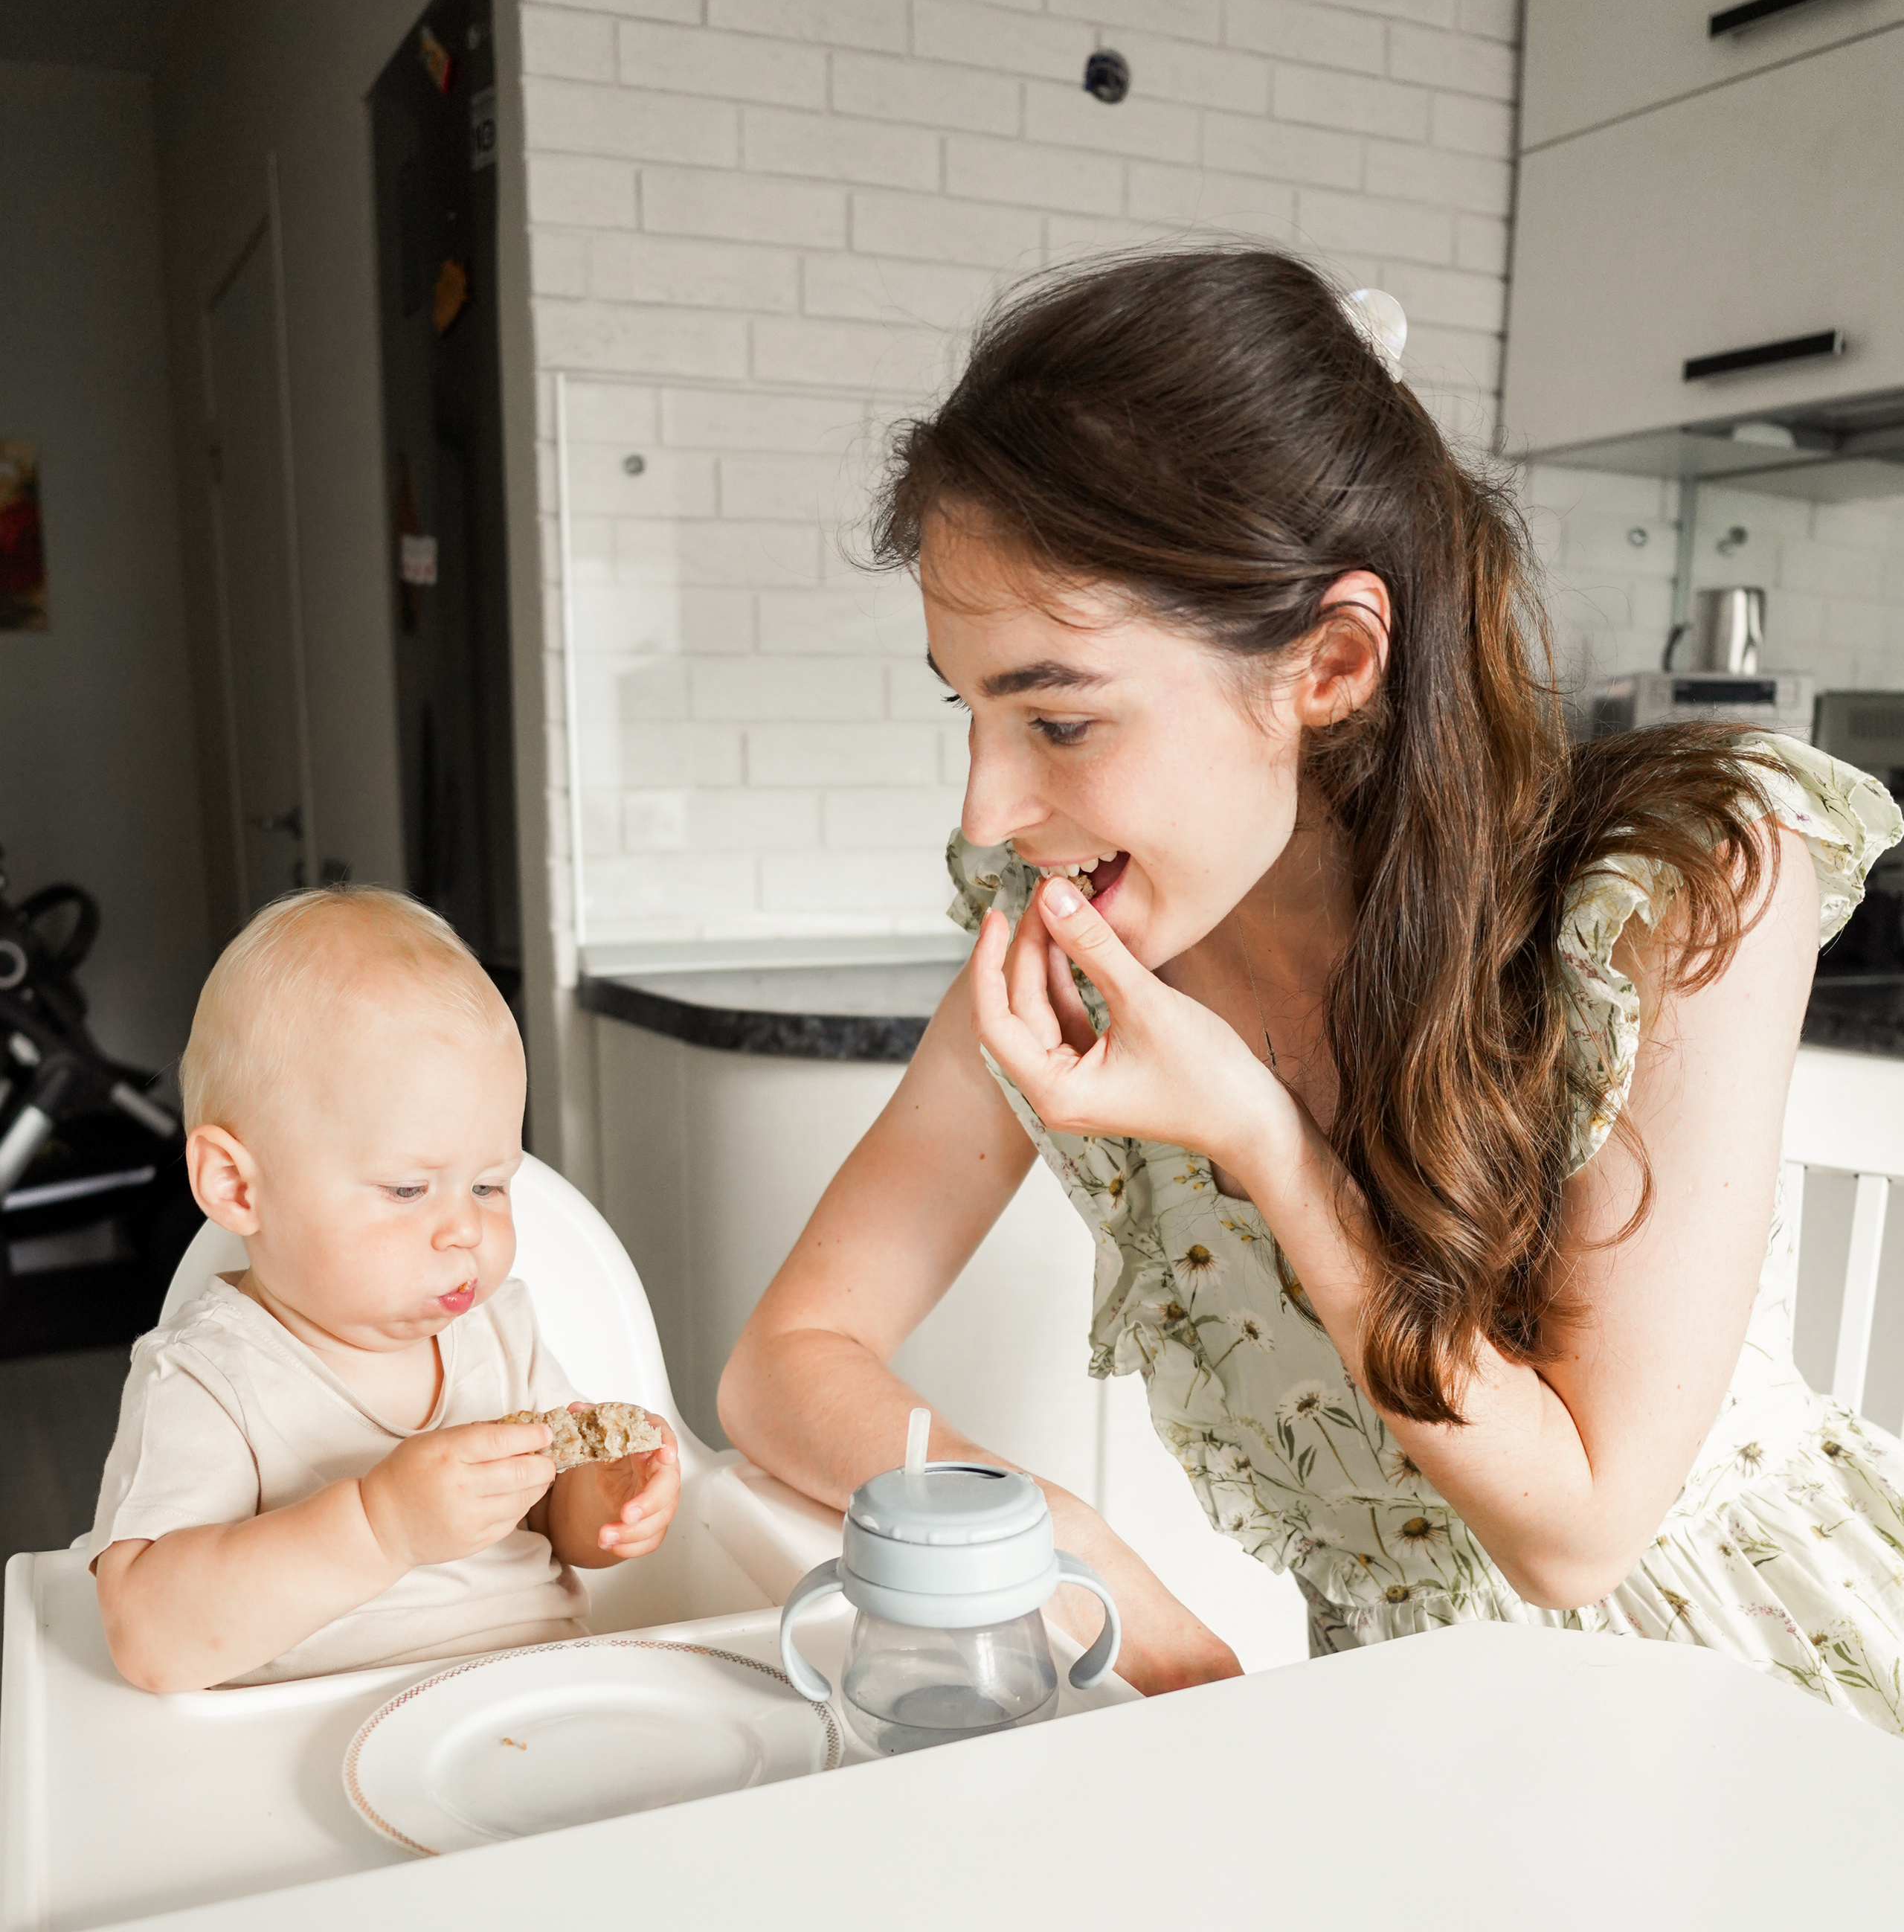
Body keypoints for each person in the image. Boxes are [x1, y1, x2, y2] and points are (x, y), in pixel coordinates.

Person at [721, 247, 1904, 1725]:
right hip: (1405, 1736)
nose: (983, 811)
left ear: (1329, 660)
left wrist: (1262, 1141)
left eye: (1059, 722)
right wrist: (1040, 1538)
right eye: (968, 711)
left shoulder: (1676, 891)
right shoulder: (1073, 948)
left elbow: (1576, 1531)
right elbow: (782, 1362)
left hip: (1755, 1704)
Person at [88, 888, 679, 1691]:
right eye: (407, 1190)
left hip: (539, 1698)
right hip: (298, 1750)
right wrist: (381, 1528)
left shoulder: (501, 1335)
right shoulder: (205, 1380)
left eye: (490, 1186)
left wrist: (602, 1502)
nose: (464, 1230)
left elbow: (548, 1519)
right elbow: (149, 1638)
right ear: (235, 1185)